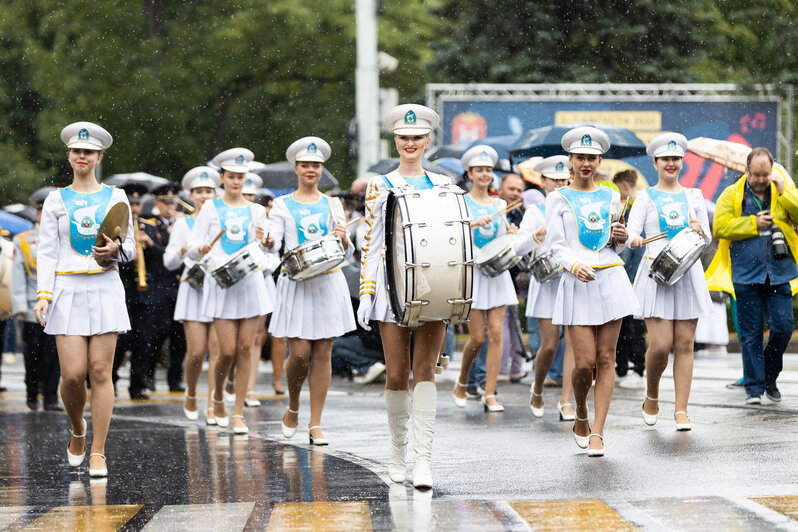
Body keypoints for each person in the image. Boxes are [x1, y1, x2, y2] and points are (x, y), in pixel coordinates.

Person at [33, 122, 135, 477]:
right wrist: (43, 295)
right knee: (73, 375)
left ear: (98, 157)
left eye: (88, 152)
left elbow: (130, 248)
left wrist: (116, 249)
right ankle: (78, 428)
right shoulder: (56, 199)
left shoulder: (116, 196)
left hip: (105, 286)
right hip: (67, 290)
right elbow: (47, 252)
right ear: (69, 156)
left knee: (99, 372)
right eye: (77, 151)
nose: (82, 156)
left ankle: (98, 452)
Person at [357, 103, 451, 489]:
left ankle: (423, 460)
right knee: (397, 374)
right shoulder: (381, 185)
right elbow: (371, 242)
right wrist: (367, 292)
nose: (410, 143)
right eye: (403, 137)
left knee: (425, 371)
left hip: (434, 287)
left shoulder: (445, 185)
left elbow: (452, 244)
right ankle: (398, 450)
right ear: (395, 140)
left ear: (428, 140)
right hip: (392, 289)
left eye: (417, 137)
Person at [546, 126, 638, 457]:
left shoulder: (613, 196)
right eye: (580, 157)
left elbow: (615, 243)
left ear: (600, 160)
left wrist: (620, 236)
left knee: (606, 358)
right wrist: (573, 265)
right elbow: (556, 245)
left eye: (592, 157)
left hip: (610, 278)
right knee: (584, 363)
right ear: (570, 160)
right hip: (576, 281)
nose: (586, 163)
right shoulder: (557, 198)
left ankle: (598, 431)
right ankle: (581, 412)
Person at [265, 136, 355, 445]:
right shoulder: (282, 204)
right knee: (300, 352)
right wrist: (266, 242)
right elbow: (275, 244)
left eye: (316, 165)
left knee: (324, 351)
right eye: (305, 165)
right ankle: (293, 406)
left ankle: (315, 423)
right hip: (297, 283)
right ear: (296, 168)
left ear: (321, 169)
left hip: (328, 280)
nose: (311, 170)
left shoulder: (332, 203)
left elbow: (347, 249)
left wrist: (344, 238)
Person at [627, 133, 712, 431]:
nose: (671, 164)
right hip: (656, 275)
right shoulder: (644, 197)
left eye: (676, 159)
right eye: (665, 159)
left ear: (682, 162)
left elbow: (707, 238)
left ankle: (681, 410)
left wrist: (699, 229)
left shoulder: (694, 196)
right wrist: (634, 239)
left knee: (685, 344)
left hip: (687, 273)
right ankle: (651, 394)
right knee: (661, 346)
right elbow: (631, 233)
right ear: (655, 163)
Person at [187, 147, 273, 434]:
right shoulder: (210, 208)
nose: (237, 182)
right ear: (222, 178)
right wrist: (200, 249)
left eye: (241, 177)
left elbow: (266, 247)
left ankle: (238, 413)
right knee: (226, 351)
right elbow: (193, 250)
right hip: (222, 286)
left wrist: (267, 240)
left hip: (249, 284)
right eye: (232, 176)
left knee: (247, 348)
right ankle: (218, 394)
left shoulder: (257, 210)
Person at [707, 147, 798, 404]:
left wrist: (783, 191)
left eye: (765, 174)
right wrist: (752, 224)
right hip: (746, 274)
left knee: (783, 328)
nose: (760, 179)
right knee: (750, 334)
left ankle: (770, 375)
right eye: (756, 174)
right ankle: (755, 389)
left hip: (779, 273)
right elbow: (720, 226)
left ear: (772, 171)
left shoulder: (782, 191)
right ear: (747, 171)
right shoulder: (732, 194)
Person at [453, 146, 518, 412]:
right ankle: (461, 381)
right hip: (473, 274)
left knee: (497, 335)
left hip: (496, 275)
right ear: (469, 173)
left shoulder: (500, 204)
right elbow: (453, 237)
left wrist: (512, 232)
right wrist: (470, 227)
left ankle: (489, 393)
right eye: (479, 170)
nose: (484, 174)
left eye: (488, 170)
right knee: (478, 338)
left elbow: (502, 240)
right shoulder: (460, 202)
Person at [513, 155, 576, 421]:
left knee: (574, 343)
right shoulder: (534, 212)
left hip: (572, 279)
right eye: (554, 180)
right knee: (549, 345)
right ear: (543, 181)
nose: (560, 184)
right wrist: (535, 235)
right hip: (546, 282)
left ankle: (567, 401)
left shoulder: (576, 207)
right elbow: (516, 248)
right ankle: (537, 387)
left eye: (564, 179)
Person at [163, 167, 220, 421]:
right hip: (193, 289)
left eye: (209, 191)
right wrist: (183, 251)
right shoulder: (183, 224)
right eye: (199, 191)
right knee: (196, 351)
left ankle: (213, 402)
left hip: (219, 287)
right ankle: (192, 391)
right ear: (191, 194)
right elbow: (169, 263)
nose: (204, 195)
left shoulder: (222, 220)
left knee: (220, 352)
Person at [12, 187, 62, 411]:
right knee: (33, 354)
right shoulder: (24, 240)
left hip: (58, 307)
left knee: (55, 355)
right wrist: (20, 305)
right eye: (43, 212)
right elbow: (18, 274)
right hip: (33, 306)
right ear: (38, 214)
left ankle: (51, 397)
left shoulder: (65, 236)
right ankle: (32, 393)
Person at [140, 182, 186, 392]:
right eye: (166, 203)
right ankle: (148, 374)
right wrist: (155, 244)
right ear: (158, 203)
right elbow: (162, 257)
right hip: (159, 285)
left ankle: (175, 378)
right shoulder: (149, 225)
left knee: (179, 336)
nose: (171, 207)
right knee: (158, 333)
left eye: (173, 203)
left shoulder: (183, 224)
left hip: (179, 283)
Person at [111, 183, 151, 399]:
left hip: (143, 294)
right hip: (124, 291)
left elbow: (162, 261)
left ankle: (137, 385)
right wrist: (129, 255)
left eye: (137, 203)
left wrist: (151, 244)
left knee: (142, 341)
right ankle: (112, 381)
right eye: (131, 203)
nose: (135, 208)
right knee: (120, 341)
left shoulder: (148, 226)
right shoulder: (117, 227)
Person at [612, 170, 647, 389]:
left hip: (629, 278)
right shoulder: (642, 206)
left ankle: (633, 368)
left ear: (625, 185)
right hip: (636, 278)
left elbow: (625, 253)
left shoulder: (632, 210)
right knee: (632, 327)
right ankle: (629, 367)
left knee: (629, 328)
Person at [496, 173, 529, 382]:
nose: (515, 193)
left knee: (511, 321)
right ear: (500, 189)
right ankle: (504, 368)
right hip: (497, 274)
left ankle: (511, 368)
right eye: (511, 189)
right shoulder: (494, 211)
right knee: (505, 322)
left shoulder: (522, 216)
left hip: (514, 276)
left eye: (519, 190)